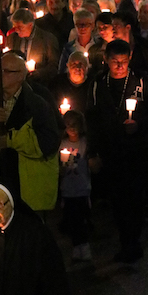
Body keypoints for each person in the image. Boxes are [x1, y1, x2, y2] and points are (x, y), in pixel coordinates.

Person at [86, 40, 148, 261]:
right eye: (114, 61)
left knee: (134, 198)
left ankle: (133, 243)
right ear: (106, 60)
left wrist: (140, 125)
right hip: (111, 151)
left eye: (123, 61)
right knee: (118, 200)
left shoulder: (140, 82)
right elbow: (92, 120)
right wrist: (93, 153)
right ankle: (124, 241)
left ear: (129, 59)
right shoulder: (98, 84)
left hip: (136, 151)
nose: (119, 66)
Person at [0, 52, 60, 213]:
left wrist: (10, 140)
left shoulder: (38, 102)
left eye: (7, 71)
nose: (0, 75)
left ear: (21, 76)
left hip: (29, 184)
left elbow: (49, 142)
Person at [58, 111, 92, 262]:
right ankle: (76, 247)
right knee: (71, 219)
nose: (71, 128)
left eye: (74, 125)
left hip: (82, 188)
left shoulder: (85, 143)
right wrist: (66, 166)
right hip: (68, 190)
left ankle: (84, 247)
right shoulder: (63, 145)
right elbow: (61, 170)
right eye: (68, 125)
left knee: (82, 218)